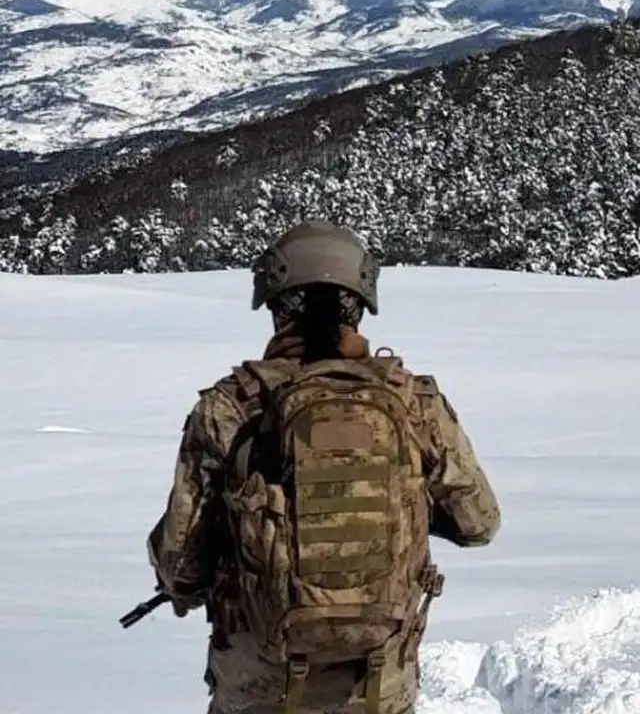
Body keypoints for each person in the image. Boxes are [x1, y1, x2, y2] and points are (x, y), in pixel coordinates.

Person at [146, 220, 501, 714]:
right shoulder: (414, 402)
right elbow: (479, 523)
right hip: (379, 678)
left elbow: (180, 563)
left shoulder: (230, 409)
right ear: (360, 302)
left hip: (259, 682)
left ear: (274, 304)